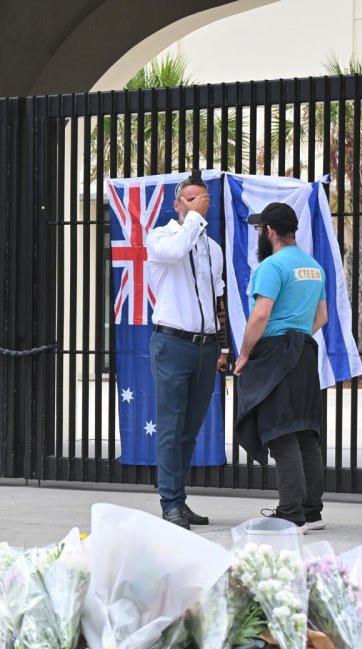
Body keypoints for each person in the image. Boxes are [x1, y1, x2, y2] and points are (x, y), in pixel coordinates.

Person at [233, 202, 329, 531]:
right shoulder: (314, 267)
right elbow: (322, 317)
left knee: (282, 434)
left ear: (269, 232)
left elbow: (260, 314)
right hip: (304, 351)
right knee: (304, 431)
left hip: (276, 353)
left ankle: (291, 513)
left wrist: (245, 353)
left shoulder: (272, 267)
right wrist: (296, 333)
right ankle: (311, 511)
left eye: (261, 229)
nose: (260, 234)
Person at [144, 174, 230, 530]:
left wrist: (222, 346)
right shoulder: (161, 237)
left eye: (204, 200)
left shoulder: (213, 248)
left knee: (190, 429)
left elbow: (217, 302)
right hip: (172, 343)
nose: (199, 205)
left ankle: (180, 498)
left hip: (204, 347)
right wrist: (194, 218)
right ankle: (170, 503)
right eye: (191, 199)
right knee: (170, 427)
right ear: (177, 205)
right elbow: (177, 251)